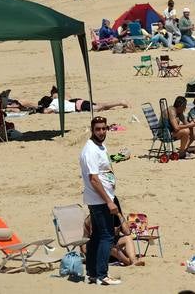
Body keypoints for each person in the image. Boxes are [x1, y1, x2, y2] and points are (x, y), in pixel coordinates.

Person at [79, 115, 122, 285]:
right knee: (107, 236)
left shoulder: (100, 146)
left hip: (101, 198)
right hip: (99, 200)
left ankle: (92, 272)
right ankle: (103, 275)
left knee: (97, 235)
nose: (101, 132)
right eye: (98, 129)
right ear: (92, 130)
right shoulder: (90, 150)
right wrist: (109, 201)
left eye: (104, 128)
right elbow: (94, 179)